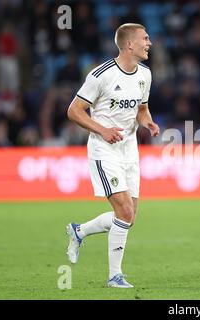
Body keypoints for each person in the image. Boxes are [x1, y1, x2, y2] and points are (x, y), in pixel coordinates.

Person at [66, 23, 159, 288]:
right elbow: (74, 111)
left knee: (128, 217)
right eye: (145, 38)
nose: (149, 43)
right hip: (104, 149)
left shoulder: (145, 74)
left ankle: (79, 231)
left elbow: (142, 109)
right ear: (130, 44)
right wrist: (103, 130)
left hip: (129, 150)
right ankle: (114, 276)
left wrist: (148, 122)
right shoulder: (101, 75)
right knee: (125, 210)